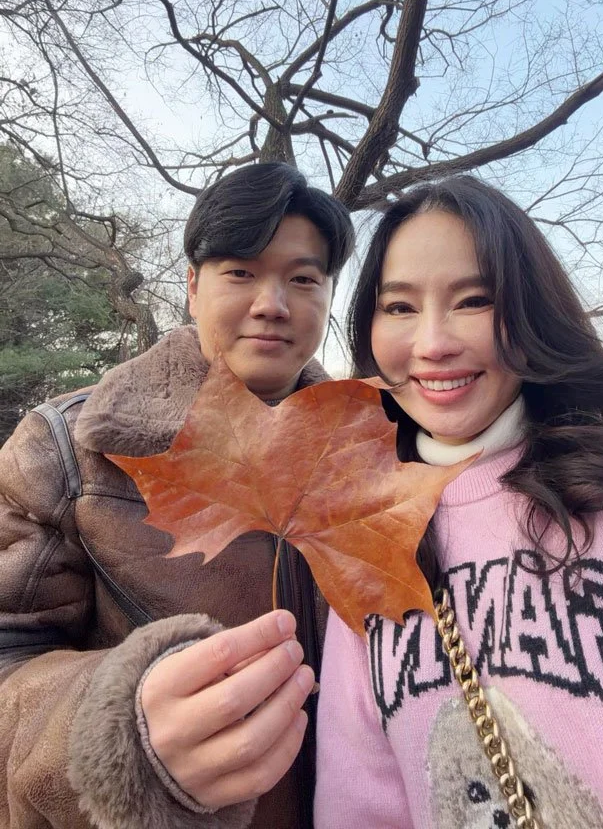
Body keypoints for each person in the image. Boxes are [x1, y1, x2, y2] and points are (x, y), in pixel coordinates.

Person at [314, 174, 603, 829]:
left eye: (473, 300)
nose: (433, 342)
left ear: (530, 312)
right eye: (399, 307)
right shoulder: (363, 539)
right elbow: (357, 792)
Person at [0, 162, 354, 829]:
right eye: (241, 273)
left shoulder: (381, 453)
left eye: (303, 279)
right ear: (192, 287)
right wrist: (116, 736)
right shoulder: (67, 449)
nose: (273, 303)